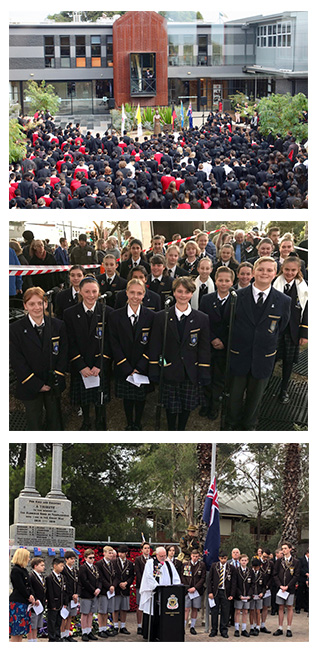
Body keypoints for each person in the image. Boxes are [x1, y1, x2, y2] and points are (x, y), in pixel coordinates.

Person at [228, 256, 291, 430]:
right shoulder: (236, 296)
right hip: (239, 354)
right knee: (235, 394)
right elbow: (230, 323)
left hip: (264, 356)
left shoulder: (284, 301)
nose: (265, 273)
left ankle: (249, 425)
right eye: (261, 269)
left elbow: (281, 327)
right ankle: (231, 423)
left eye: (269, 270)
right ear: (254, 271)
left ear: (275, 273)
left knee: (256, 396)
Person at [149, 276, 211, 430]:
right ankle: (171, 429)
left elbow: (204, 348)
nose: (183, 295)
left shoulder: (202, 318)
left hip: (190, 370)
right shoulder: (161, 316)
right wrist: (157, 367)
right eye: (180, 291)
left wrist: (204, 371)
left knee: (187, 405)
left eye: (187, 292)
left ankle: (181, 429)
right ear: (174, 292)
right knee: (171, 405)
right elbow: (155, 346)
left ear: (192, 293)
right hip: (170, 369)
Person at [9, 286, 68, 430]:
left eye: (40, 303)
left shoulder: (58, 325)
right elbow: (16, 360)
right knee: (33, 421)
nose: (36, 307)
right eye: (31, 304)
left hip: (52, 382)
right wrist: (35, 384)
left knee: (55, 420)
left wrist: (58, 376)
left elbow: (63, 353)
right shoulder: (14, 329)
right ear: (25, 306)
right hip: (30, 384)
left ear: (46, 304)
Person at [63, 276, 113, 430]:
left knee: (100, 397)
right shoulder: (69, 313)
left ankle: (100, 421)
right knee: (84, 398)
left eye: (94, 291)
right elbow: (69, 342)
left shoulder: (108, 312)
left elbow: (110, 342)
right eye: (87, 291)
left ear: (99, 292)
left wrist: (100, 364)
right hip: (81, 364)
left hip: (100, 364)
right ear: (80, 292)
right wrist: (80, 365)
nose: (91, 295)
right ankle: (86, 421)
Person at [109, 278, 154, 430]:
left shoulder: (151, 316)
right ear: (126, 293)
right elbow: (113, 343)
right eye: (132, 292)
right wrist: (126, 367)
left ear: (144, 295)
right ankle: (129, 422)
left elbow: (152, 344)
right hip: (124, 364)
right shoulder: (115, 316)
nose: (135, 296)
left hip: (142, 364)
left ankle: (138, 422)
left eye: (139, 293)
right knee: (128, 397)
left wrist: (141, 365)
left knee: (140, 396)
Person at [273, 256, 308, 404]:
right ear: (282, 268)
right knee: (271, 358)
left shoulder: (303, 288)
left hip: (292, 330)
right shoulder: (275, 284)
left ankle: (284, 389)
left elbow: (307, 312)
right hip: (275, 329)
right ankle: (264, 385)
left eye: (293, 270)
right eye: (287, 269)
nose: (289, 273)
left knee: (288, 362)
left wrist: (304, 333)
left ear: (298, 270)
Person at [139, 546, 180, 641]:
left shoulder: (169, 564)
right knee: (153, 613)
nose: (163, 557)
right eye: (161, 556)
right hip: (153, 593)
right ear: (156, 555)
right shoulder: (150, 563)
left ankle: (162, 633)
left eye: (164, 555)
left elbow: (175, 577)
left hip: (166, 593)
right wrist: (156, 586)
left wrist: (175, 587)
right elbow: (148, 576)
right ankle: (151, 635)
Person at [273, 542, 300, 638]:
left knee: (289, 607)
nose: (283, 550)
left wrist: (288, 586)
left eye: (285, 548)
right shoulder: (279, 561)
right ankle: (280, 627)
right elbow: (275, 574)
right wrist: (280, 585)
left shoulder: (295, 562)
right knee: (280, 607)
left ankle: (289, 628)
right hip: (280, 589)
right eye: (282, 548)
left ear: (290, 549)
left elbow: (296, 575)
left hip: (290, 588)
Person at [208, 550, 236, 638]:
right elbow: (209, 580)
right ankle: (214, 629)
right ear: (219, 558)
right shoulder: (214, 566)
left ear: (227, 558)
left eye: (224, 558)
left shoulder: (231, 568)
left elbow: (233, 582)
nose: (223, 560)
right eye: (221, 558)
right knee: (214, 611)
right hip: (216, 591)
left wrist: (232, 594)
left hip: (225, 592)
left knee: (225, 612)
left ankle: (224, 630)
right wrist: (210, 592)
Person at [9, 548, 36, 642]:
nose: (29, 559)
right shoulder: (16, 570)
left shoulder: (23, 570)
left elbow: (29, 585)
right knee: (16, 630)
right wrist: (28, 596)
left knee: (21, 631)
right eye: (27, 557)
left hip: (24, 602)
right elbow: (20, 586)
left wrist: (32, 595)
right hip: (17, 602)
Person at [181, 548, 206, 635]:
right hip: (187, 590)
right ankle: (183, 627)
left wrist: (195, 588)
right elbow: (183, 576)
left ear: (199, 557)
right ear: (191, 556)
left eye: (197, 556)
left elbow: (202, 578)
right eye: (193, 556)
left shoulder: (201, 565)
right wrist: (188, 587)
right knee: (186, 609)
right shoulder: (185, 564)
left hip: (197, 591)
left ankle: (193, 626)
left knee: (195, 608)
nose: (195, 558)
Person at [78, 549, 101, 642]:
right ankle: (84, 632)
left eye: (93, 558)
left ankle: (89, 630)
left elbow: (99, 579)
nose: (92, 560)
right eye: (90, 558)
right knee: (85, 613)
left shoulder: (95, 568)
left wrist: (99, 588)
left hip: (94, 594)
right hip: (86, 594)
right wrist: (93, 590)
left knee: (91, 613)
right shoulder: (83, 568)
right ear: (85, 558)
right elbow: (84, 581)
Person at [96, 546, 117, 639]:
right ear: (104, 553)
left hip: (111, 591)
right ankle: (101, 629)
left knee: (108, 611)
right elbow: (100, 578)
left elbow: (116, 576)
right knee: (102, 611)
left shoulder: (113, 564)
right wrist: (109, 586)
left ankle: (105, 628)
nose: (111, 554)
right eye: (109, 552)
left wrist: (113, 585)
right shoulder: (99, 564)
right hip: (104, 590)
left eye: (112, 553)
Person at [112, 546, 134, 635]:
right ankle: (115, 626)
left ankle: (123, 626)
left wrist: (126, 583)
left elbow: (132, 576)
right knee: (115, 608)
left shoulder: (130, 563)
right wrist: (119, 583)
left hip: (125, 588)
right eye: (119, 552)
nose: (120, 554)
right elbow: (113, 575)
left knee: (124, 609)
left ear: (126, 553)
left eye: (122, 552)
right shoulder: (113, 562)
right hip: (117, 588)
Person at [45, 557, 67, 643]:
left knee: (59, 621)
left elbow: (64, 591)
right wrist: (52, 604)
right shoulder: (50, 578)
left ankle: (58, 636)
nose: (62, 568)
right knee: (52, 621)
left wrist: (65, 602)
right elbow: (49, 592)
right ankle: (52, 637)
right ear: (55, 566)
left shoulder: (62, 577)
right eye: (61, 566)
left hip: (61, 603)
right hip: (54, 603)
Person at [61, 551, 79, 642]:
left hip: (74, 598)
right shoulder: (63, 570)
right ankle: (62, 635)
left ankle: (67, 634)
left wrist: (77, 594)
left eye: (74, 559)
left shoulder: (75, 570)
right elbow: (65, 585)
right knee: (64, 617)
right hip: (67, 597)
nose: (73, 560)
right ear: (66, 559)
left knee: (70, 617)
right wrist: (71, 595)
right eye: (71, 559)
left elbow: (78, 583)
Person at [28, 557, 46, 642]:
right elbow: (31, 589)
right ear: (35, 566)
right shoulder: (31, 576)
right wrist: (35, 598)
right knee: (32, 624)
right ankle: (30, 640)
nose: (43, 567)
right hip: (34, 603)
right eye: (41, 565)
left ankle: (34, 639)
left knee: (36, 625)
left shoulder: (41, 576)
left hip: (40, 604)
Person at [134, 543, 151, 635]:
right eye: (145, 548)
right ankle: (139, 625)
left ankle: (147, 625)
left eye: (148, 548)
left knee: (148, 606)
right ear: (142, 550)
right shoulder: (138, 559)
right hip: (141, 586)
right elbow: (138, 573)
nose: (147, 550)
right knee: (140, 606)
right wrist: (143, 585)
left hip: (151, 587)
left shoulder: (152, 560)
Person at [234, 554, 251, 637]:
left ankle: (244, 629)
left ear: (247, 561)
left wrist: (249, 595)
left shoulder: (250, 571)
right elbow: (235, 584)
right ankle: (237, 629)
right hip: (239, 595)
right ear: (239, 561)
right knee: (237, 611)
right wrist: (239, 594)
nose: (244, 562)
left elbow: (252, 584)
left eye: (245, 560)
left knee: (245, 611)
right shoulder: (236, 571)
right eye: (242, 560)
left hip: (247, 595)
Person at [248, 557, 266, 636]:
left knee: (258, 611)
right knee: (251, 610)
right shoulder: (249, 573)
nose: (255, 569)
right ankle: (252, 626)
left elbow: (264, 586)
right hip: (252, 595)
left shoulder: (262, 574)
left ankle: (258, 626)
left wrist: (262, 593)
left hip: (259, 595)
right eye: (254, 567)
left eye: (257, 567)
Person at [260, 548, 274, 634]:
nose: (265, 559)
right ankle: (255, 625)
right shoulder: (256, 561)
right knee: (256, 608)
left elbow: (272, 575)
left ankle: (263, 625)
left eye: (267, 557)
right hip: (258, 588)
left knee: (265, 607)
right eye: (264, 556)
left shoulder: (270, 564)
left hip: (267, 588)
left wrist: (268, 585)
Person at [296, 549, 309, 614]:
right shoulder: (301, 559)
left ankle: (306, 607)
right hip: (302, 578)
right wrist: (305, 573)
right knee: (300, 593)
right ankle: (298, 607)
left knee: (307, 593)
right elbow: (300, 568)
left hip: (308, 579)